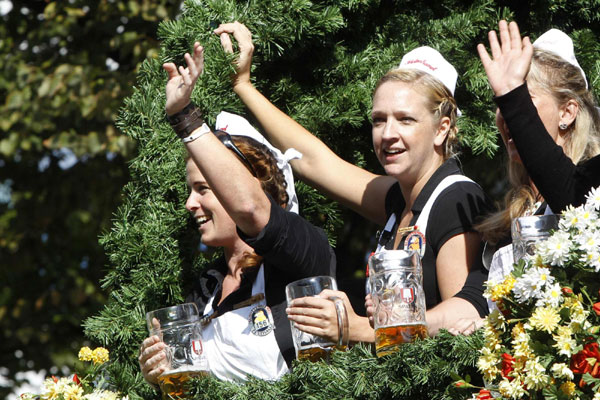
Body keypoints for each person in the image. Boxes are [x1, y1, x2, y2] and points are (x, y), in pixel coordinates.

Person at [213, 22, 491, 341]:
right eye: (379, 120)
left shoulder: (455, 197)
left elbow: (466, 316)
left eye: (405, 120)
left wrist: (360, 328)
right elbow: (316, 162)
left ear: (442, 129)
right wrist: (243, 85)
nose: (387, 134)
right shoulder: (401, 198)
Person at [138, 42, 336, 383]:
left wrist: (185, 117)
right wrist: (160, 369)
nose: (190, 203)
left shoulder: (301, 256)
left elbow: (251, 209)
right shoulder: (205, 290)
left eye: (204, 189)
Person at [476, 20, 600, 289]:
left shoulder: (593, 195)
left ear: (567, 112)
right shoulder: (507, 215)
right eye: (502, 103)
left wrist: (511, 96)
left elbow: (569, 196)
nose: (507, 113)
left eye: (524, 99)